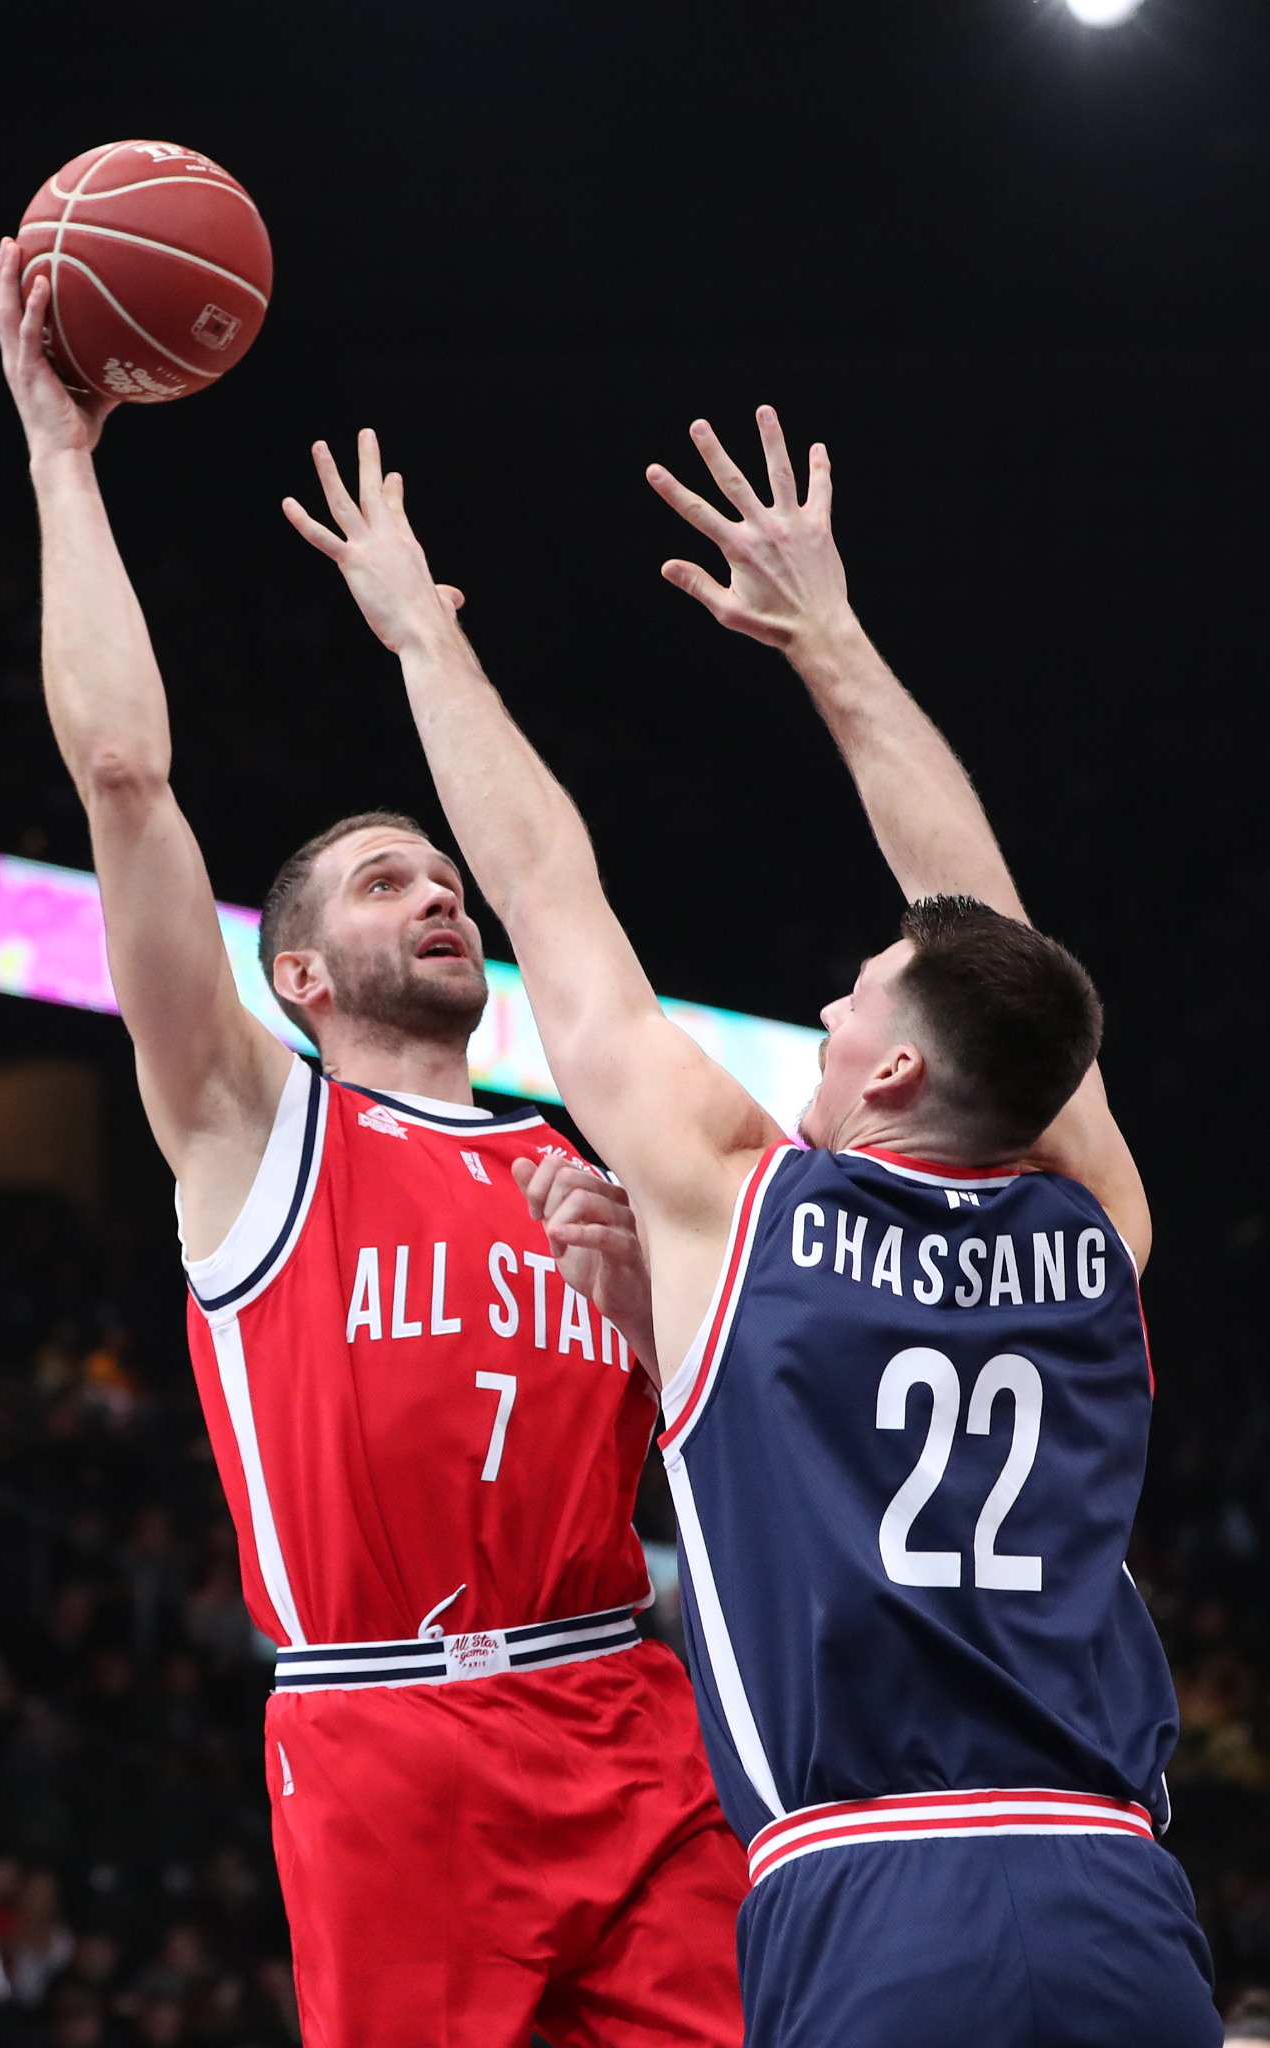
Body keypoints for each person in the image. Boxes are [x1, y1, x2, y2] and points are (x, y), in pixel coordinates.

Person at [283, 407, 1222, 2046]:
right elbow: (987, 929)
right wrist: (835, 644)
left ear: (901, 1072)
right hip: (1114, 1894)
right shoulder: (1096, 1229)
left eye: (852, 1004)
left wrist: (421, 634)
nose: (824, 1003)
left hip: (868, 1896)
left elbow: (550, 906)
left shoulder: (745, 1205)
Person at [0, 240, 749, 2048]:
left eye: (444, 873)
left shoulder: (584, 1152)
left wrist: (654, 1311)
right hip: (390, 1729)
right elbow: (123, 784)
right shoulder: (249, 1123)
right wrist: (61, 461)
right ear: (302, 969)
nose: (440, 893)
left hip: (624, 1714)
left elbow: (723, 1427)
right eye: (386, 880)